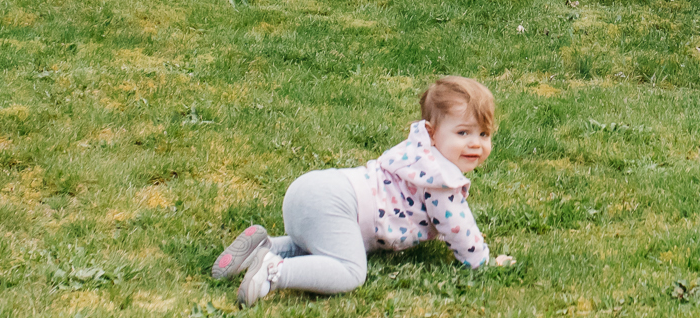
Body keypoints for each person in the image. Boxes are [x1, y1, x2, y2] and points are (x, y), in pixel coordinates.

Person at [211, 75, 514, 305]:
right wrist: (483, 264)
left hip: (311, 189)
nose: (476, 143)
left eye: (484, 133)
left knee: (322, 243)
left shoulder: (415, 153)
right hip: (337, 202)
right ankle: (275, 271)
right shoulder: (440, 180)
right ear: (432, 134)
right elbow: (459, 228)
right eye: (463, 133)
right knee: (350, 270)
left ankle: (266, 247)